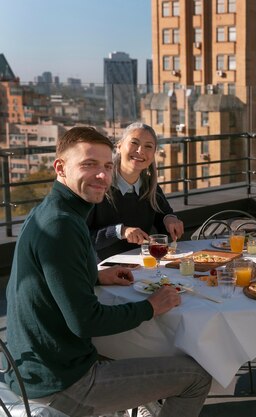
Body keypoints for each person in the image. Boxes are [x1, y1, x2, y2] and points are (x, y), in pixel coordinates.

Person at [5, 127, 211, 416]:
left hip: (30, 368)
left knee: (143, 349)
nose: (102, 176)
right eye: (89, 165)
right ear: (60, 168)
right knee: (197, 377)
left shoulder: (50, 212)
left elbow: (47, 277)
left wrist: (95, 275)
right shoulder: (61, 226)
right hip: (62, 383)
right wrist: (150, 307)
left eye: (106, 166)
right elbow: (86, 322)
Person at [87, 122, 184, 260]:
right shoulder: (98, 186)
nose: (140, 151)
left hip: (141, 268)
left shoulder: (150, 186)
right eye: (134, 143)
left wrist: (170, 219)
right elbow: (83, 239)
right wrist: (120, 231)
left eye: (148, 146)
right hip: (104, 272)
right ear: (119, 146)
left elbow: (164, 216)